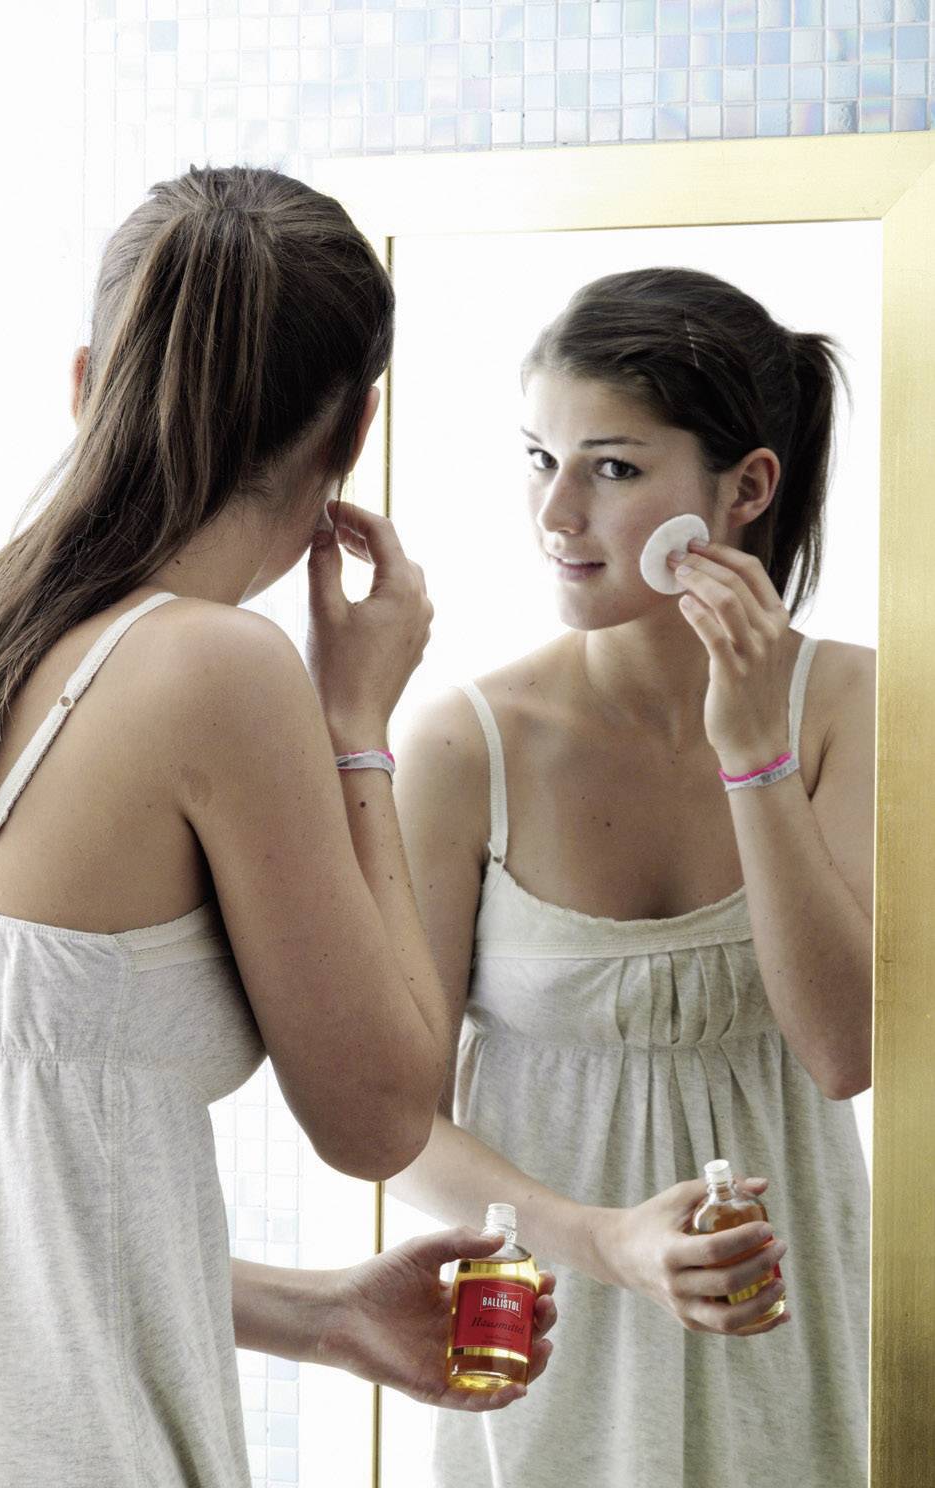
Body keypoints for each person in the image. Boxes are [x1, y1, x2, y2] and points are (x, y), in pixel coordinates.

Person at [0, 165, 555, 1487]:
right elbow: (380, 1116)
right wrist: (358, 723)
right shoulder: (218, 670)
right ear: (355, 429)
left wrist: (324, 1316)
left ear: (90, 379)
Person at [389, 267, 872, 1487]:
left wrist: (751, 752)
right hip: (546, 1360)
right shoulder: (463, 745)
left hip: (791, 1351)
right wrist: (610, 1247)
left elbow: (843, 1049)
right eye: (538, 458)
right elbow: (392, 1129)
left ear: (745, 489)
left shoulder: (859, 709)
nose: (558, 514)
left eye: (611, 468)